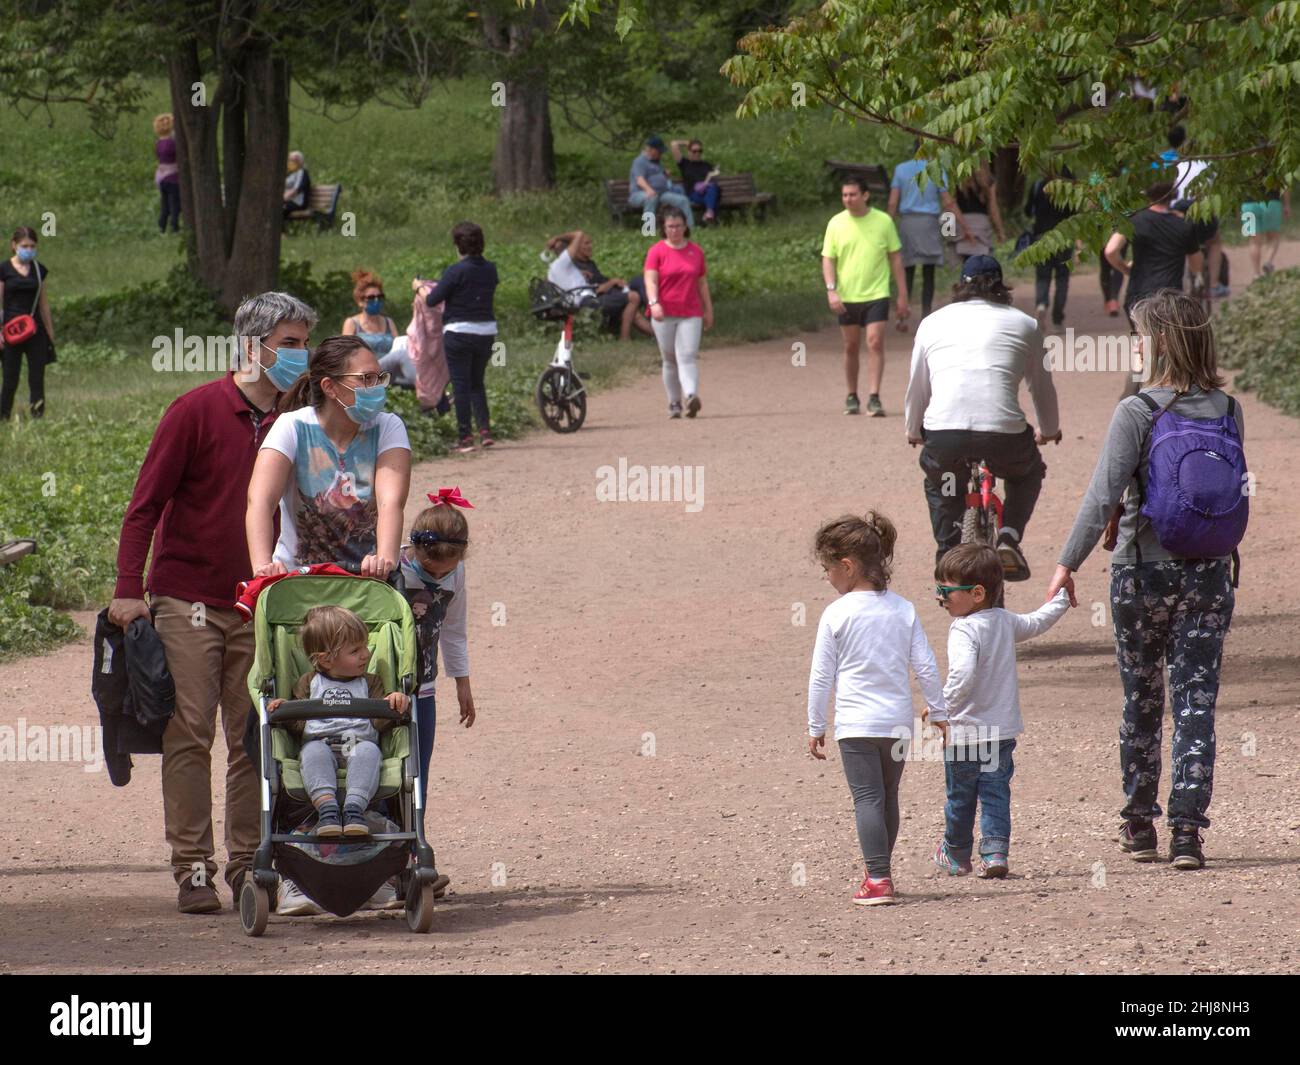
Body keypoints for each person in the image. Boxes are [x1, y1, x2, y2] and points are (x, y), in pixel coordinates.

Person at [109, 291, 316, 913]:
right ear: (252, 348)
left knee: (255, 735)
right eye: (290, 343)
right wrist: (128, 590)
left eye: (306, 343)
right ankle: (192, 867)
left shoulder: (299, 419)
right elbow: (144, 506)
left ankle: (250, 862)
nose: (300, 355)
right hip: (188, 598)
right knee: (190, 732)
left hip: (266, 601)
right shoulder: (195, 412)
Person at [1046, 290, 1245, 871]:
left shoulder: (1137, 410)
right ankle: (1188, 831)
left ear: (1157, 342)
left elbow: (1103, 492)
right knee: (1196, 700)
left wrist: (1067, 562)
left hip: (1142, 573)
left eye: (1138, 335)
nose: (1133, 345)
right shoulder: (1229, 409)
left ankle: (1139, 824)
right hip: (1210, 572)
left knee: (1142, 695)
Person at [806, 511, 947, 907]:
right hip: (897, 724)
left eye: (827, 568)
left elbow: (821, 677)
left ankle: (878, 879)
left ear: (847, 566)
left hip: (855, 726)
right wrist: (939, 712)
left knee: (866, 799)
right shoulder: (903, 609)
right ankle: (881, 873)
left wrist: (816, 724)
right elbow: (925, 665)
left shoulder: (836, 613)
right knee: (888, 796)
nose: (827, 577)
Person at [904, 255, 1059, 580]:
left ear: (961, 284)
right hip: (1003, 434)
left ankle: (947, 554)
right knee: (1026, 473)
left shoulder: (932, 322)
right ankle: (1009, 537)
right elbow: (1041, 388)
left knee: (942, 484)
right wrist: (1049, 429)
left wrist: (913, 429)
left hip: (945, 434)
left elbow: (918, 386)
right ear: (1001, 286)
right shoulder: (1025, 324)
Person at [932, 545, 1070, 879]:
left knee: (960, 797)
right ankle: (995, 853)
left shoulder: (964, 629)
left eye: (945, 591)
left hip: (965, 733)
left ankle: (956, 853)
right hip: (1001, 734)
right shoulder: (1005, 622)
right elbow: (1038, 621)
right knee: (995, 794)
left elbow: (962, 675)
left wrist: (942, 707)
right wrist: (1062, 598)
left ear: (976, 593)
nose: (940, 598)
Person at [267, 606, 411, 838]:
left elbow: (380, 723)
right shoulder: (309, 683)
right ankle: (327, 810)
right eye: (355, 650)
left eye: (365, 646)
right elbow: (297, 726)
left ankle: (354, 808)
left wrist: (394, 703)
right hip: (320, 745)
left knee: (369, 751)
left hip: (358, 744)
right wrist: (285, 709)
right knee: (312, 751)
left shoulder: (370, 683)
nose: (366, 654)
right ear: (325, 660)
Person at [398, 488, 477, 807]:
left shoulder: (455, 573)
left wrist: (463, 683)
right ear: (416, 548)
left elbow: (454, 631)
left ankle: (414, 841)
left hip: (424, 687)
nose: (439, 576)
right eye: (431, 570)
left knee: (419, 770)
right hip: (384, 686)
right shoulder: (395, 567)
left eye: (446, 570)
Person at [821, 176, 909, 417]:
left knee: (874, 342)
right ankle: (852, 395)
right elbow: (828, 258)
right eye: (844, 195)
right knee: (850, 346)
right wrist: (831, 289)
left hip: (877, 294)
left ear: (865, 195)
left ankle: (874, 396)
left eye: (852, 194)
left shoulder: (883, 221)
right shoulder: (836, 223)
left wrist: (902, 295)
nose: (848, 199)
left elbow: (896, 258)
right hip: (847, 295)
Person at [418, 221, 499, 453]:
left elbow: (432, 300)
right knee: (477, 383)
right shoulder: (490, 269)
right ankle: (485, 431)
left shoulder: (455, 271)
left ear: (458, 246)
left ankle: (465, 437)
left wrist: (418, 288)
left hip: (459, 333)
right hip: (486, 332)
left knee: (461, 385)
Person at [888, 148, 972, 321]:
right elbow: (948, 202)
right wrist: (965, 227)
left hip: (908, 224)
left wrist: (886, 225)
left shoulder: (900, 169)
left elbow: (892, 202)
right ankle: (926, 316)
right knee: (929, 272)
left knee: (907, 269)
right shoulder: (937, 170)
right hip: (929, 224)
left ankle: (903, 315)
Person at [645, 206, 712, 419]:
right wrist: (654, 302)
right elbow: (651, 279)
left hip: (690, 311)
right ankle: (674, 402)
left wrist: (708, 309)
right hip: (665, 312)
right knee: (669, 358)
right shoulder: (657, 251)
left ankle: (691, 395)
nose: (674, 230)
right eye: (670, 226)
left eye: (678, 226)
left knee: (687, 355)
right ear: (663, 229)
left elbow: (702, 283)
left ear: (685, 227)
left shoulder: (696, 252)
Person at [545, 230, 651, 340]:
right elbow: (579, 234)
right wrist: (557, 237)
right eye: (585, 244)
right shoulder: (562, 263)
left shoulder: (558, 269)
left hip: (586, 299)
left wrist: (579, 275)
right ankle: (625, 338)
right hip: (586, 302)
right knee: (633, 297)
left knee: (634, 296)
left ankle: (661, 335)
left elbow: (552, 281)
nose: (590, 246)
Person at [0, 226, 55, 420]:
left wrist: (49, 331)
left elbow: (43, 304)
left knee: (37, 377)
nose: (29, 249)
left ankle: (37, 415)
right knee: (10, 377)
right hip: (11, 330)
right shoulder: (4, 270)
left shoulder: (39, 271)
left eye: (32, 246)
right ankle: (3, 416)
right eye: (24, 245)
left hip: (35, 330)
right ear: (14, 245)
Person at [1024, 170, 1080, 331]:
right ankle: (1057, 319)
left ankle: (1041, 304)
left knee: (1042, 276)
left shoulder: (1038, 186)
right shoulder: (1069, 191)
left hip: (1041, 238)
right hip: (1064, 238)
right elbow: (1075, 216)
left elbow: (1028, 211)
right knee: (1062, 279)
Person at [342, 270, 416, 389]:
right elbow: (344, 354)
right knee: (400, 356)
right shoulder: (352, 323)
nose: (376, 301)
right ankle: (427, 390)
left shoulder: (388, 322)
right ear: (360, 301)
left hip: (388, 373)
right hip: (365, 372)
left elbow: (399, 345)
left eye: (379, 297)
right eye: (371, 298)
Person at [628, 136, 695, 229]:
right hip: (639, 194)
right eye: (659, 151)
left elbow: (656, 177)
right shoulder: (640, 161)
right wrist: (649, 190)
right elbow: (639, 180)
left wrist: (664, 175)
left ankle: (690, 229)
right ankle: (648, 230)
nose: (661, 153)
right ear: (651, 150)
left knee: (683, 200)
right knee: (651, 198)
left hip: (661, 193)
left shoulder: (656, 161)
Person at [952, 164, 1006, 263]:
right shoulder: (989, 181)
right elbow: (993, 209)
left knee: (966, 263)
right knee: (981, 263)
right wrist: (1000, 231)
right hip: (982, 225)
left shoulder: (958, 178)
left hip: (962, 222)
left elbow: (951, 205)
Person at [670, 138, 721, 225]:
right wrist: (687, 143)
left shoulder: (706, 165)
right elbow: (674, 144)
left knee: (712, 188)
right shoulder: (684, 163)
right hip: (694, 194)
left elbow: (713, 176)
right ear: (689, 151)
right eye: (694, 151)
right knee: (712, 196)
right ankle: (710, 215)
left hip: (708, 191)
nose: (697, 153)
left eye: (700, 151)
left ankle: (709, 213)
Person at [1241, 189, 1291, 278]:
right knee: (1273, 238)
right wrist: (1287, 204)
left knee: (1254, 241)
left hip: (1249, 205)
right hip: (1271, 203)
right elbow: (1285, 185)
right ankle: (1267, 262)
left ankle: (1256, 274)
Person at [153, 113, 181, 234]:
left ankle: (161, 226)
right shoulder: (172, 143)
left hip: (161, 176)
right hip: (173, 177)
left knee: (165, 204)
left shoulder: (158, 143)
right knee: (175, 204)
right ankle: (174, 226)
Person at [283, 150, 310, 220]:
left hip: (297, 202)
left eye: (293, 160)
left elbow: (296, 190)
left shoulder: (302, 172)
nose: (290, 163)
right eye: (289, 160)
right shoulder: (291, 174)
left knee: (277, 209)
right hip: (288, 201)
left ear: (300, 162)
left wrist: (282, 199)